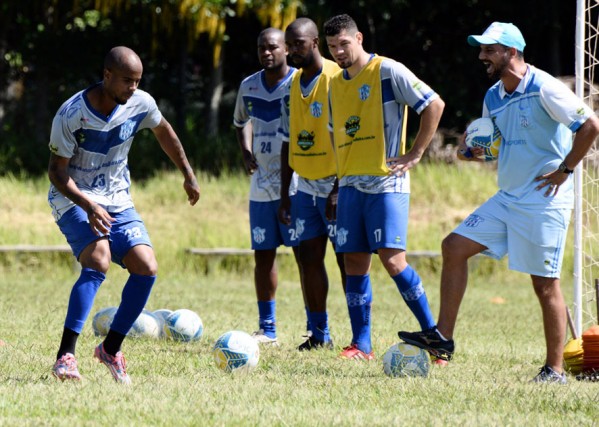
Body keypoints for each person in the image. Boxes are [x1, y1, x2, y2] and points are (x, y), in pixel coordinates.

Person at [399, 22, 599, 383]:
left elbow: (590, 126)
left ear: (511, 52)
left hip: (544, 199)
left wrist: (565, 170)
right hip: (507, 197)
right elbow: (492, 144)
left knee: (545, 284)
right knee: (453, 246)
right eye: (481, 49)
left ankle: (554, 370)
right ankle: (442, 338)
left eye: (489, 49)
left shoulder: (545, 87)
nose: (481, 56)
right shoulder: (492, 96)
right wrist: (470, 152)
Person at [48, 46, 201, 384]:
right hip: (73, 198)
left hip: (118, 200)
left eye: (138, 81)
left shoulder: (140, 103)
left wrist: (187, 173)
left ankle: (110, 349)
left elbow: (165, 132)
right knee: (98, 259)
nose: (134, 88)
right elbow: (57, 174)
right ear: (107, 77)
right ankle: (65, 357)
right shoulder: (71, 114)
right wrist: (89, 206)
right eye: (127, 81)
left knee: (146, 267)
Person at [323, 14, 445, 360]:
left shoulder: (388, 71)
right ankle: (361, 345)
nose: (338, 53)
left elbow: (434, 104)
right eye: (332, 47)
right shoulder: (335, 83)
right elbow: (339, 133)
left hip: (386, 183)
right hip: (349, 186)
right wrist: (337, 184)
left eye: (343, 44)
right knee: (354, 264)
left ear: (359, 38)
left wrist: (415, 153)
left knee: (393, 260)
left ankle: (436, 339)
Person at [278, 17, 346, 351]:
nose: (291, 51)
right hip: (304, 186)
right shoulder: (293, 83)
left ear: (315, 42)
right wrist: (285, 195)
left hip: (337, 185)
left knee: (347, 260)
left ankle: (360, 338)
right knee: (308, 258)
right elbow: (287, 141)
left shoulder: (336, 77)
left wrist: (338, 187)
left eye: (298, 44)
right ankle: (320, 334)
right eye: (288, 45)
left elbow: (349, 137)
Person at [233, 28, 304, 345]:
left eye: (272, 47)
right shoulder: (248, 84)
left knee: (306, 256)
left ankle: (316, 326)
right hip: (262, 185)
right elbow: (240, 121)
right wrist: (246, 152)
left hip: (297, 183)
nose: (266, 53)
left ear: (287, 49)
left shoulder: (301, 82)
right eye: (261, 48)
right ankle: (268, 328)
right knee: (263, 255)